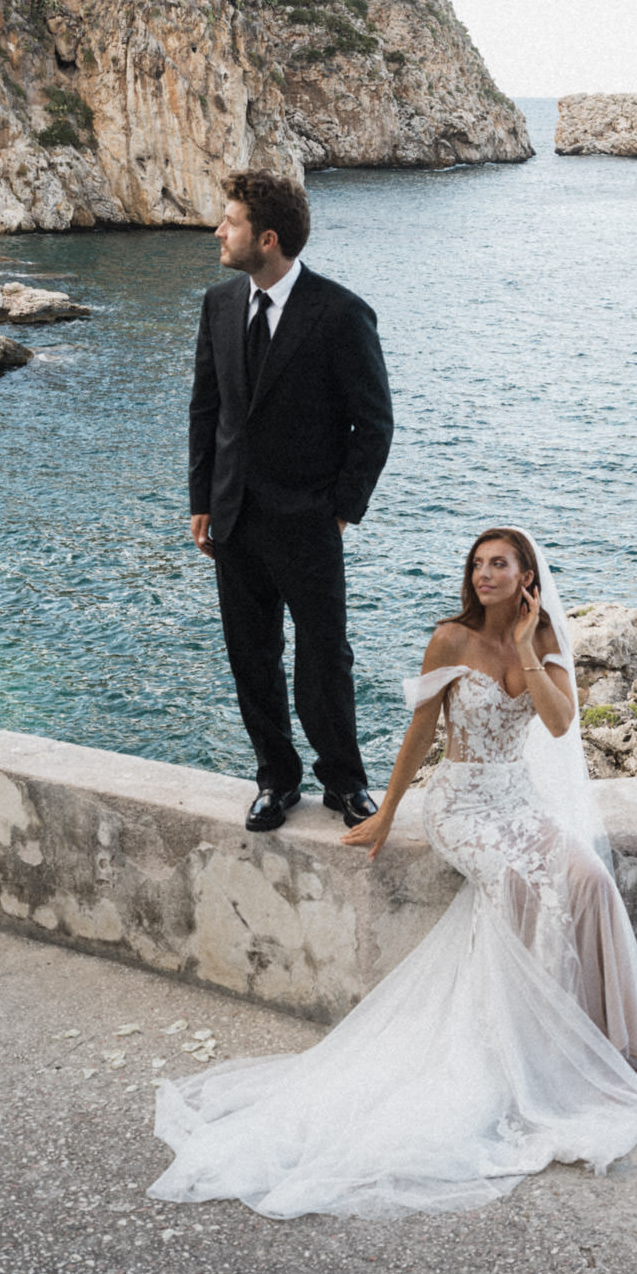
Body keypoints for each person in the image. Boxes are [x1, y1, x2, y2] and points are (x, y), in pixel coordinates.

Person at [149, 527, 637, 1221]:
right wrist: (389, 812)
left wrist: (525, 648)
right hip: (460, 805)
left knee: (590, 883)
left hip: (518, 798)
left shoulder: (540, 645)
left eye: (499, 565)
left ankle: (601, 1040)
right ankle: (530, 1056)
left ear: (526, 576)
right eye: (477, 565)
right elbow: (422, 728)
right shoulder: (450, 638)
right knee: (518, 886)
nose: (484, 575)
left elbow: (562, 724)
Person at [189, 169, 393, 833]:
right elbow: (207, 409)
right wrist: (201, 499)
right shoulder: (219, 304)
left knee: (324, 657)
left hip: (307, 521)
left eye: (232, 222)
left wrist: (341, 507)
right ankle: (276, 779)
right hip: (233, 520)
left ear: (267, 238)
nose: (219, 231)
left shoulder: (340, 313)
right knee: (252, 658)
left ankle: (345, 781)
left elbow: (375, 423)